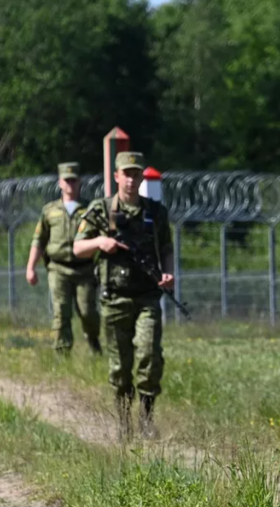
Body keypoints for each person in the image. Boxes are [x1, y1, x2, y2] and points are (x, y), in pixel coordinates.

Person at [72, 151, 175, 438]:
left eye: (135, 173)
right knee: (120, 367)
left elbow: (166, 248)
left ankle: (146, 419)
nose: (131, 179)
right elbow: (78, 248)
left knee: (150, 357)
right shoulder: (100, 209)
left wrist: (168, 274)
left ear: (141, 176)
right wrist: (101, 242)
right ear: (116, 176)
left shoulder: (155, 212)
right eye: (126, 173)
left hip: (147, 296)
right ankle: (123, 423)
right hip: (114, 297)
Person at [26, 162, 101, 354]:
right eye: (66, 180)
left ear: (79, 182)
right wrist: (31, 267)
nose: (70, 184)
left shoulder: (90, 209)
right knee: (61, 311)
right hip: (58, 269)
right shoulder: (50, 210)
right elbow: (39, 240)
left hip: (85, 269)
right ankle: (62, 351)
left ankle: (93, 342)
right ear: (60, 183)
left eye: (73, 180)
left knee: (88, 312)